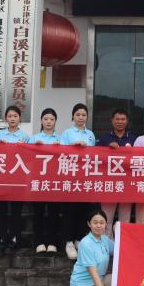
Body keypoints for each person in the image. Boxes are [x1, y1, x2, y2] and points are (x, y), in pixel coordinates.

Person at [60, 103, 96, 260]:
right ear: (73, 116)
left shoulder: (91, 134)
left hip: (85, 178)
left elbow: (95, 155)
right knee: (69, 211)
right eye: (78, 114)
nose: (81, 117)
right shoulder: (67, 133)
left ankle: (79, 240)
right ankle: (68, 242)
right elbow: (60, 153)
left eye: (83, 115)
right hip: (70, 177)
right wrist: (73, 147)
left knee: (83, 210)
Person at [0, 105, 29, 255]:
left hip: (18, 178)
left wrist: (24, 148)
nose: (12, 119)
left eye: (15, 116)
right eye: (10, 116)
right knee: (1, 211)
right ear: (5, 118)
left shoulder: (25, 136)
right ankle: (1, 239)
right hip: (1, 177)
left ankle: (15, 239)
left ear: (20, 118)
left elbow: (29, 157)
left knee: (16, 211)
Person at [69, 209, 115, 286]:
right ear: (89, 224)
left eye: (102, 222)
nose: (98, 225)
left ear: (106, 224)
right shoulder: (86, 243)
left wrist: (118, 231)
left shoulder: (105, 239)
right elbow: (94, 275)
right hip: (84, 284)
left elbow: (120, 250)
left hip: (101, 279)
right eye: (95, 222)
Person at [97, 108, 136, 237]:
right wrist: (108, 149)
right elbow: (96, 159)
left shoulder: (134, 139)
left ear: (127, 121)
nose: (120, 122)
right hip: (108, 183)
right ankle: (106, 245)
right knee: (106, 218)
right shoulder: (104, 139)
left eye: (123, 119)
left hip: (127, 184)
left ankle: (122, 244)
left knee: (125, 219)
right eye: (117, 119)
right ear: (112, 121)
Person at [28, 108, 60, 255]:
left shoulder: (60, 139)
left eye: (51, 119)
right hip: (38, 180)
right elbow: (26, 158)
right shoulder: (34, 138)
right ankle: (39, 242)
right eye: (46, 119)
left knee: (53, 212)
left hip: (54, 181)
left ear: (55, 121)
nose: (48, 122)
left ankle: (52, 242)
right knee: (38, 212)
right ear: (41, 120)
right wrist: (35, 148)